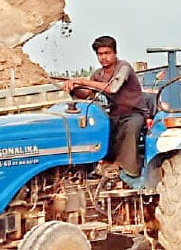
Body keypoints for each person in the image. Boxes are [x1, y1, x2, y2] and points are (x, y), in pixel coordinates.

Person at [63, 35, 149, 178]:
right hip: (113, 115)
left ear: (115, 53)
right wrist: (73, 86)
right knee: (97, 128)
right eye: (100, 54)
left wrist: (83, 81)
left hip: (134, 113)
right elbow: (86, 94)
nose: (103, 57)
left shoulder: (124, 67)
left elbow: (113, 88)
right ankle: (95, 165)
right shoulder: (98, 74)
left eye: (107, 53)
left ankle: (126, 170)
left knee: (131, 127)